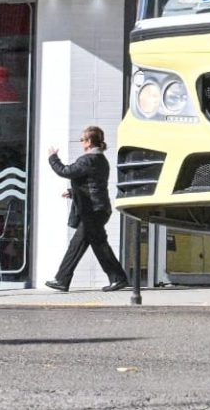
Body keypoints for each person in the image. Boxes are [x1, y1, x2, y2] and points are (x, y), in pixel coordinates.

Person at [45, 125, 128, 292]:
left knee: (91, 245)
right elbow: (92, 183)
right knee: (87, 245)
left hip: (92, 210)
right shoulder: (100, 160)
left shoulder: (88, 159)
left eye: (82, 140)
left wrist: (53, 158)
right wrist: (72, 192)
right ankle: (63, 279)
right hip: (98, 209)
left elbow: (66, 171)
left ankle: (117, 278)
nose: (81, 142)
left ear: (89, 142)